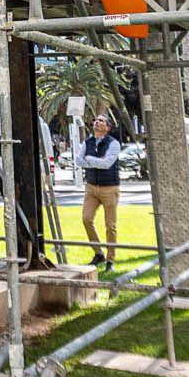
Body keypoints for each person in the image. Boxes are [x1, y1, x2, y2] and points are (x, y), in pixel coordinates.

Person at [80, 113, 122, 273]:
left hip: (109, 188)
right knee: (86, 219)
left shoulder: (113, 144)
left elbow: (107, 164)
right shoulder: (88, 142)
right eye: (96, 120)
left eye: (101, 121)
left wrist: (89, 160)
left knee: (110, 225)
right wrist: (93, 161)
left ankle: (111, 260)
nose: (97, 122)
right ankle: (99, 253)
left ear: (107, 128)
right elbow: (78, 160)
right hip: (91, 187)